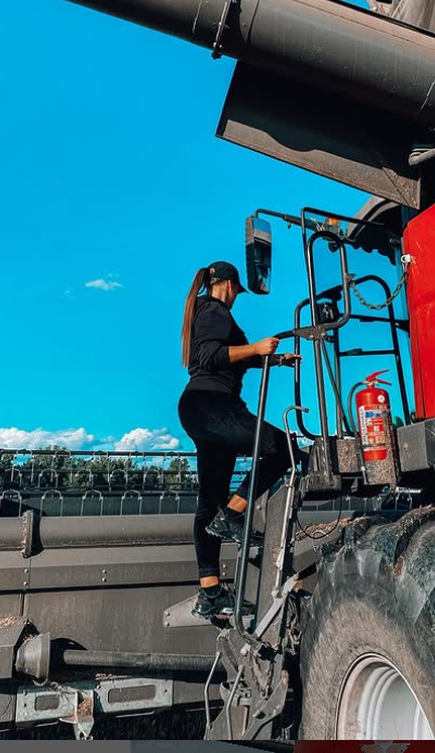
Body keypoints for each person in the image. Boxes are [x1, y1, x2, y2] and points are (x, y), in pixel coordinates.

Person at [178, 260, 300, 619]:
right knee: (283, 448)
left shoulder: (205, 311)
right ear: (229, 285)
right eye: (237, 292)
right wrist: (257, 347)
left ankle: (210, 593)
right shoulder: (214, 310)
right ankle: (232, 516)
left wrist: (275, 359)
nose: (236, 298)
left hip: (202, 409)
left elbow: (236, 360)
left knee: (208, 503)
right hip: (212, 405)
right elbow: (210, 357)